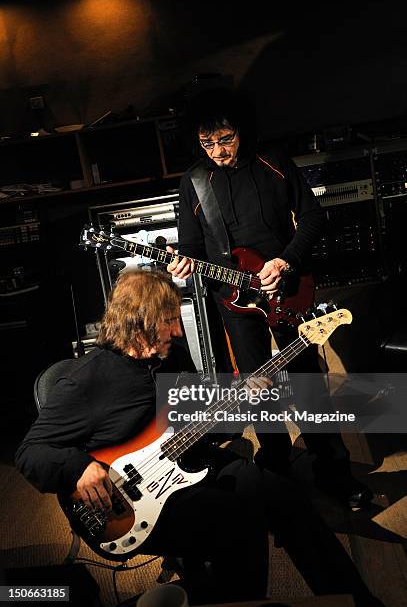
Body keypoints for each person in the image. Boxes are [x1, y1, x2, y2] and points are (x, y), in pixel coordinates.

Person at [15, 269, 384, 606]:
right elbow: (30, 453)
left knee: (287, 497)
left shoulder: (171, 354)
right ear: (139, 322)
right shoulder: (85, 379)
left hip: (190, 461)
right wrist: (80, 467)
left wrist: (239, 401)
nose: (178, 330)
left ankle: (359, 603)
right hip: (133, 504)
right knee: (241, 523)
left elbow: (202, 423)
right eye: (169, 320)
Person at [167, 87, 373, 508]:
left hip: (286, 291)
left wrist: (285, 262)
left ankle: (333, 471)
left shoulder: (273, 162)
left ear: (242, 130)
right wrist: (181, 263)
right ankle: (275, 468)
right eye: (207, 143)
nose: (218, 151)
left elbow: (313, 216)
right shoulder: (193, 181)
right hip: (235, 303)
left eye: (226, 139)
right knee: (257, 389)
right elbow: (190, 245)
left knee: (309, 386)